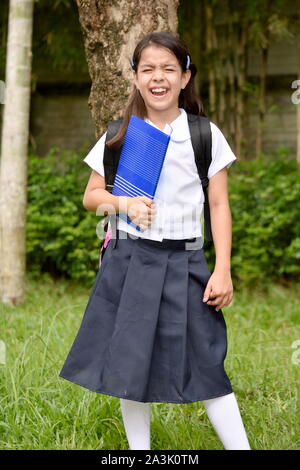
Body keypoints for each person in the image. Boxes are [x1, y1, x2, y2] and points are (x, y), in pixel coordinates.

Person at [59, 31, 251, 451]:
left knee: (207, 360)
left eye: (168, 69)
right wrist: (124, 204)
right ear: (134, 76)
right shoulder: (121, 133)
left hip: (187, 262)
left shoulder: (204, 134)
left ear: (185, 78)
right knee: (131, 360)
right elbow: (92, 196)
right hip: (131, 260)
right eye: (148, 69)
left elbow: (219, 206)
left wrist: (221, 269)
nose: (158, 78)